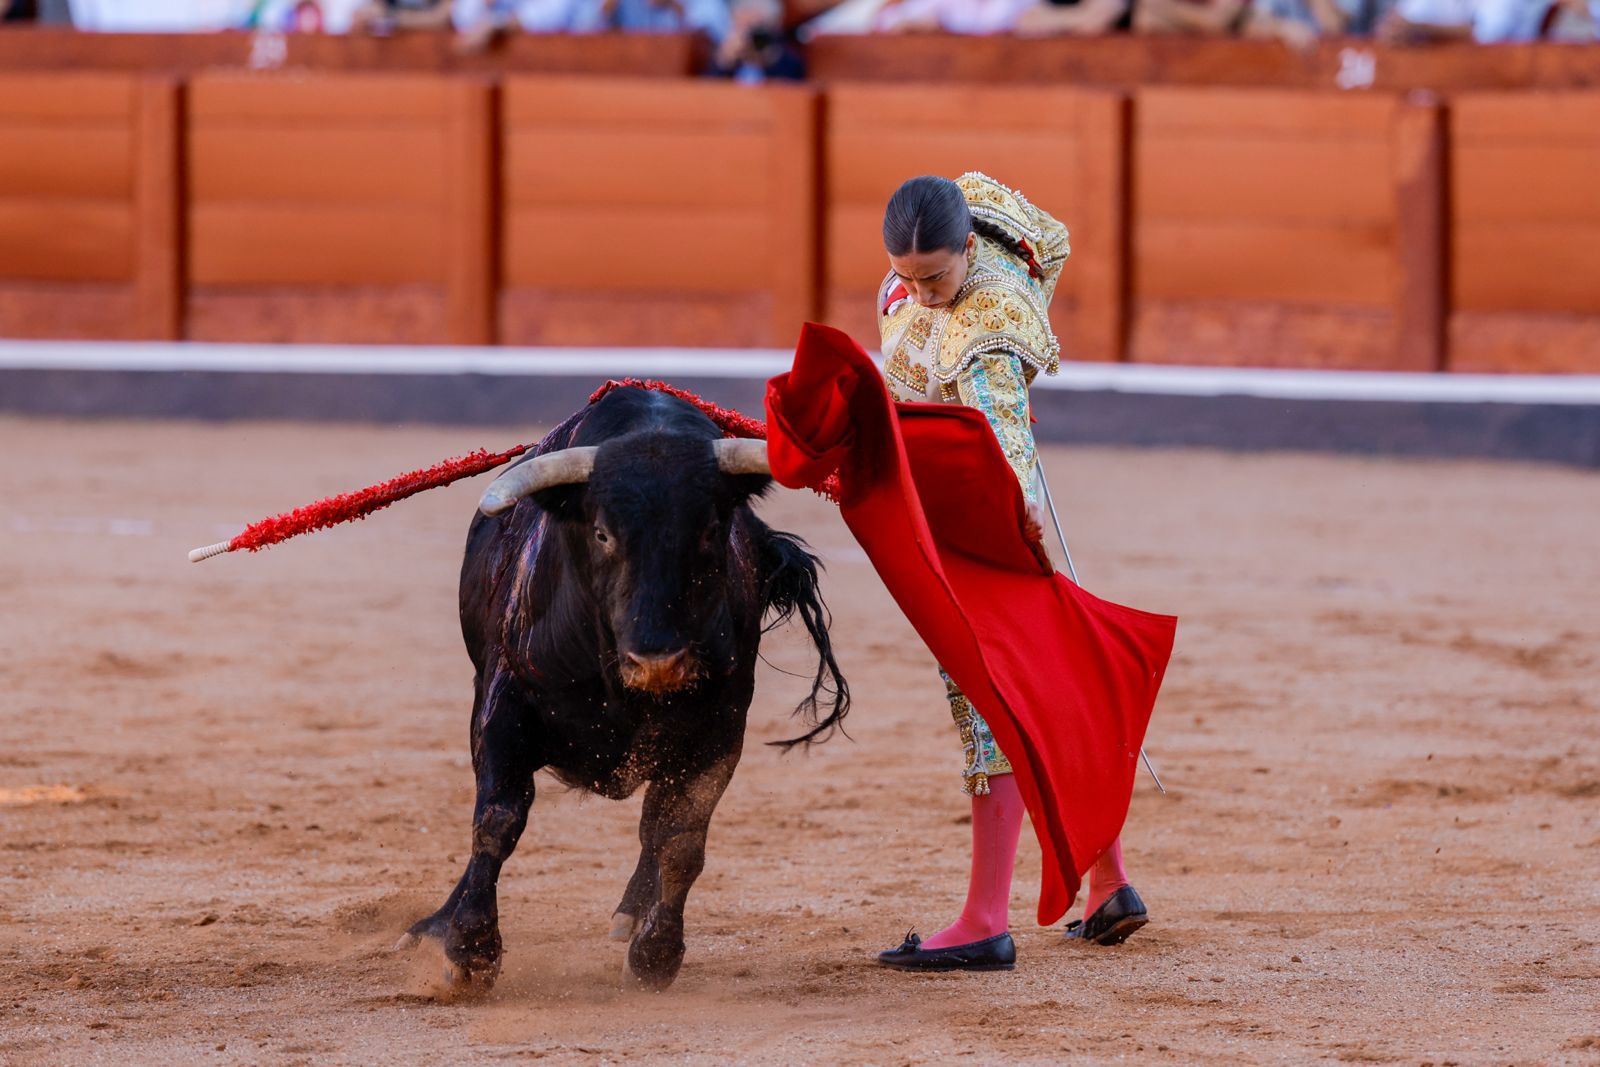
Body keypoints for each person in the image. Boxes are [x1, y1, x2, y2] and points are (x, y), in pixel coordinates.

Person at [872, 173, 1149, 973]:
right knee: (1053, 686)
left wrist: (1016, 534)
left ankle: (986, 916)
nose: (921, 294)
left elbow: (1003, 445)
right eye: (905, 274)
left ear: (968, 251)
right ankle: (1107, 882)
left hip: (982, 527)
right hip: (950, 502)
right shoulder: (965, 227)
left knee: (990, 694)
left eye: (936, 277)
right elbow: (1047, 242)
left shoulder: (987, 322)